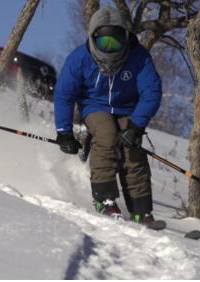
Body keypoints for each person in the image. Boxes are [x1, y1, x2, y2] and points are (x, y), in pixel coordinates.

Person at [54, 7, 162, 227]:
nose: (110, 49)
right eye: (105, 43)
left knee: (132, 149)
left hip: (128, 109)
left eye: (116, 43)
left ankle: (141, 210)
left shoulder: (138, 57)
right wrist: (64, 132)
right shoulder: (80, 58)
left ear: (125, 38)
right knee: (106, 134)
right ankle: (104, 198)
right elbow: (64, 94)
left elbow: (152, 91)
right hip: (94, 106)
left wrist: (136, 126)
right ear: (94, 38)